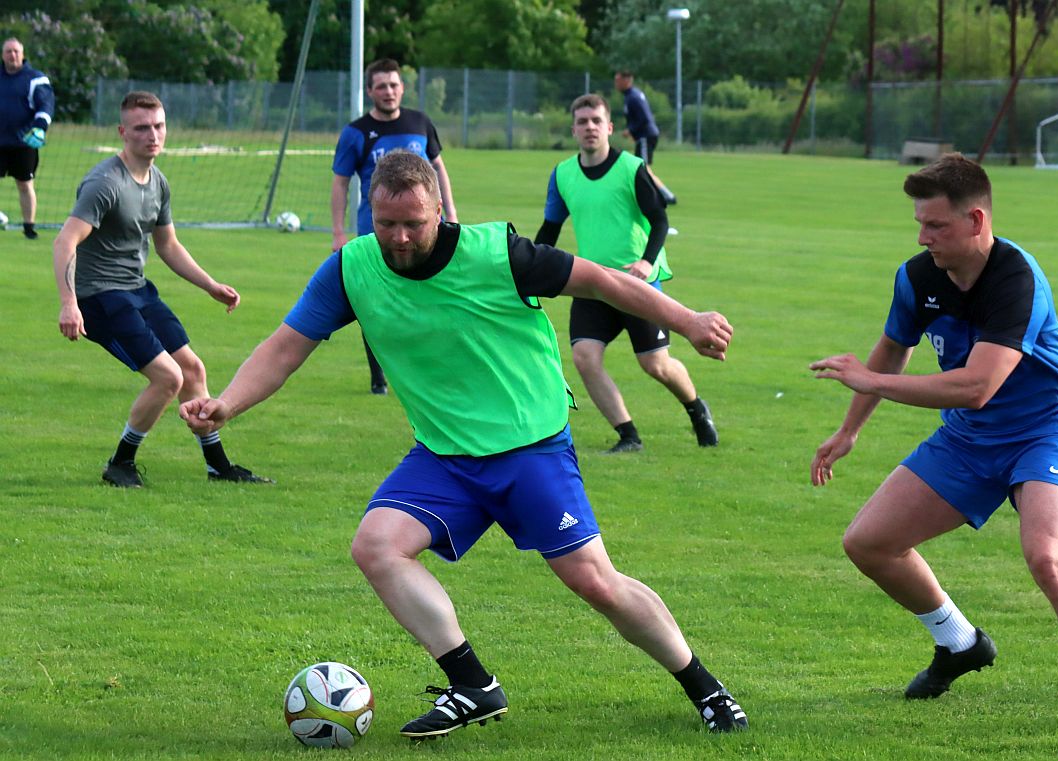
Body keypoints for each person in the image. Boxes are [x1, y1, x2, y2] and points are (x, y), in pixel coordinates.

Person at [179, 149, 748, 737]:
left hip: (529, 449)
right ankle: (473, 684)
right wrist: (226, 404)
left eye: (414, 224)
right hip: (444, 456)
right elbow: (285, 347)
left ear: (440, 211)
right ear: (369, 212)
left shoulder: (498, 253)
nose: (399, 238)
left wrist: (687, 320)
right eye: (385, 224)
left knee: (595, 582)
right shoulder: (352, 268)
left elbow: (601, 282)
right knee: (376, 547)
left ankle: (706, 689)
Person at [808, 153, 1058, 734]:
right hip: (969, 439)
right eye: (919, 223)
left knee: (1048, 559)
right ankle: (959, 643)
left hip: (1044, 430)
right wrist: (849, 429)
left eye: (936, 226)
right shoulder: (916, 277)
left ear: (976, 220)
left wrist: (872, 380)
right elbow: (892, 348)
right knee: (869, 543)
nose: (922, 236)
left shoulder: (1017, 279)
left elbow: (977, 386)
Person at [52, 91, 271, 489]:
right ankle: (120, 463)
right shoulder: (105, 183)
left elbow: (167, 245)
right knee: (168, 378)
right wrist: (69, 304)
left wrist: (210, 286)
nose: (153, 135)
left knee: (193, 369)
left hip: (136, 289)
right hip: (99, 298)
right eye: (141, 128)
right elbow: (65, 242)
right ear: (123, 132)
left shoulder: (158, 182)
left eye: (159, 126)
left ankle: (217, 466)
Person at [536, 94, 716, 454]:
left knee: (655, 364)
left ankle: (697, 410)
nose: (589, 127)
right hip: (591, 284)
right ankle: (628, 435)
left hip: (638, 285)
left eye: (596, 121)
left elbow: (660, 220)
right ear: (573, 129)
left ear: (609, 128)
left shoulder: (631, 168)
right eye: (583, 122)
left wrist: (647, 263)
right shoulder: (563, 174)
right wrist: (526, 271)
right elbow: (549, 230)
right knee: (585, 358)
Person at [332, 58, 458, 396]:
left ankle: (430, 366)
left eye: (394, 85)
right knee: (375, 302)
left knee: (432, 295)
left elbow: (438, 170)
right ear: (370, 90)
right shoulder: (355, 132)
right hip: (374, 233)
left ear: (402, 88)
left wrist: (452, 214)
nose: (389, 92)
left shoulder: (420, 123)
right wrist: (338, 231)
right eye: (381, 86)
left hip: (425, 230)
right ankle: (378, 377)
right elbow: (340, 183)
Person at [1, 37, 54, 240]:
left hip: (24, 143)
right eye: (8, 51)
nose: (12, 55)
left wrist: (40, 128)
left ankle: (29, 227)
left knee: (25, 184)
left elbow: (46, 105)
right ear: (3, 55)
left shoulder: (35, 78)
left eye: (16, 51)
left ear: (22, 54)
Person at [613, 71, 676, 206]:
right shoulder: (632, 95)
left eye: (618, 80)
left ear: (627, 80)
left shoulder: (633, 97)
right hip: (644, 136)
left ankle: (666, 196)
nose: (616, 84)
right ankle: (660, 195)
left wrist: (631, 130)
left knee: (642, 169)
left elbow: (645, 118)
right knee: (641, 168)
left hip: (645, 136)